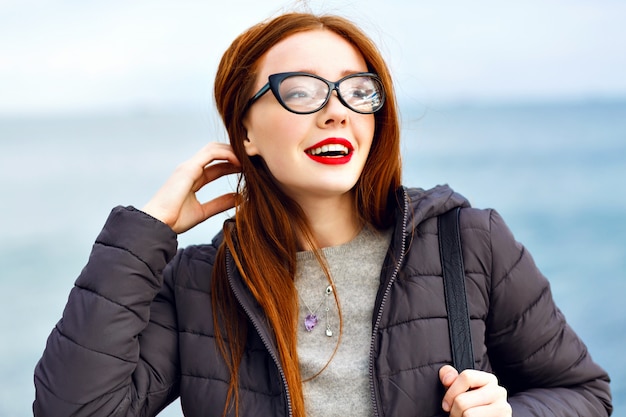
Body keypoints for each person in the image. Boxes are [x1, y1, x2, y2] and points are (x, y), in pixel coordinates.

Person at [34, 11, 612, 417]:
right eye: (303, 91)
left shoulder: (468, 239)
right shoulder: (196, 281)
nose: (337, 112)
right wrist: (147, 230)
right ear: (245, 132)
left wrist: (506, 413)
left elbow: (583, 393)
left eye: (358, 91)